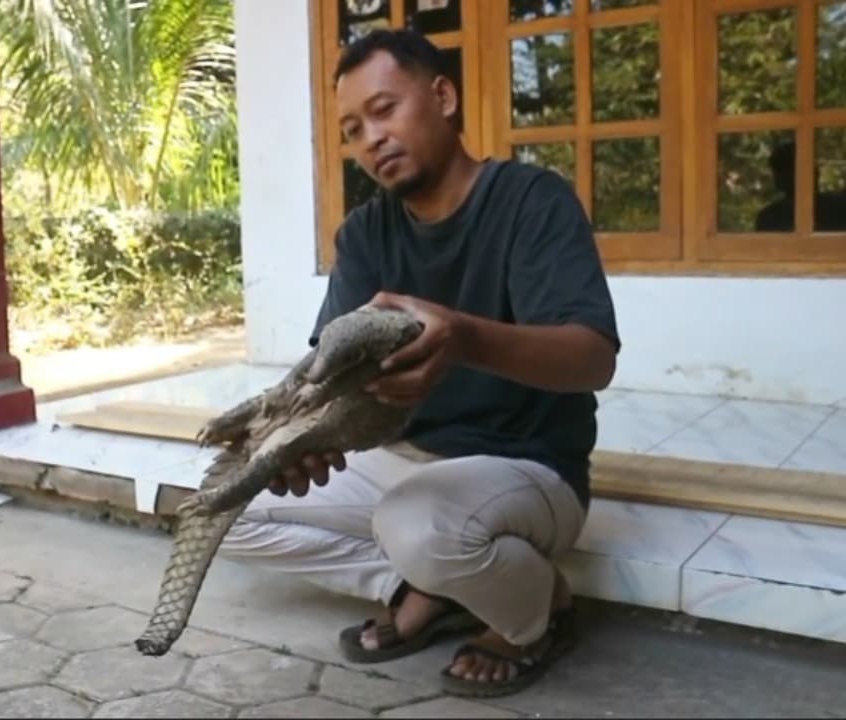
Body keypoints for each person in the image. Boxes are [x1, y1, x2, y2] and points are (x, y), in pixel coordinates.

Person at [217, 28, 620, 697]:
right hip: (404, 462)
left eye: (383, 109)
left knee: (420, 526)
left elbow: (591, 359)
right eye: (352, 128)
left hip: (526, 468)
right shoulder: (365, 234)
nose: (370, 138)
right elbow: (332, 378)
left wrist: (462, 337)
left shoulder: (531, 202)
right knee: (218, 503)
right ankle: (419, 587)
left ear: (442, 96)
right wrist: (300, 438)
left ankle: (535, 614)